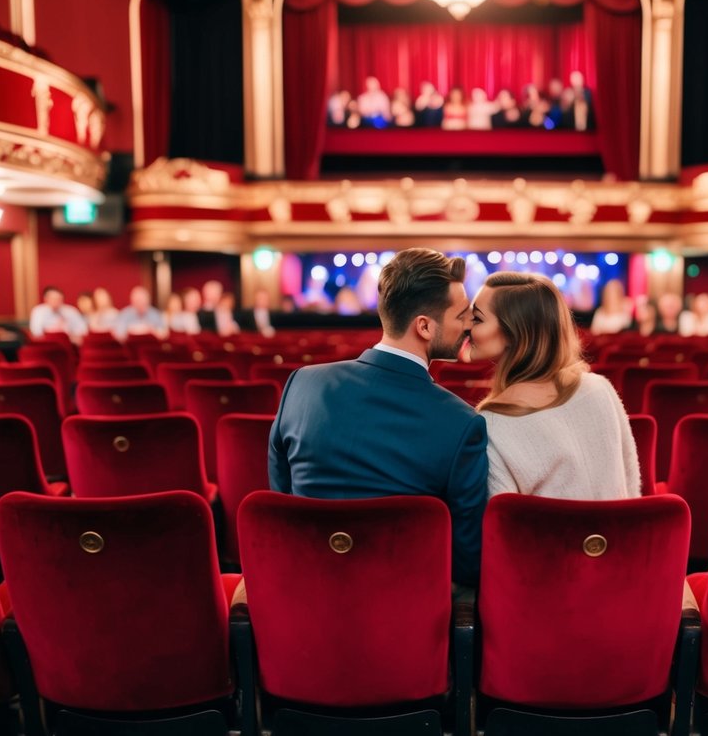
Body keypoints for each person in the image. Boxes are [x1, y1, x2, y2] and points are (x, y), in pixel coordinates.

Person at [268, 248, 488, 587]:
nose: (469, 324)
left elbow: (280, 504)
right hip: (403, 609)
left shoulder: (302, 383)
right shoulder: (461, 423)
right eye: (462, 315)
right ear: (425, 327)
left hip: (303, 592)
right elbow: (466, 562)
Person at [467, 272, 640, 500]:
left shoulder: (490, 424)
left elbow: (500, 523)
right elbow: (632, 491)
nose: (465, 326)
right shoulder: (601, 389)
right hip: (622, 536)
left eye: (477, 319)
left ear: (514, 332)